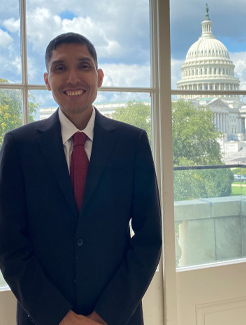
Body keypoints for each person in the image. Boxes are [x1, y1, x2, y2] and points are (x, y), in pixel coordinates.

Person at [0, 32, 162, 325]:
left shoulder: (132, 143)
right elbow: (9, 244)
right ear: (47, 80)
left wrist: (104, 316)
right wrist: (60, 317)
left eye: (84, 66)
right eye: (60, 68)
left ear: (99, 76)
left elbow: (149, 239)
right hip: (42, 317)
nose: (73, 78)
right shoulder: (18, 146)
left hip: (116, 317)